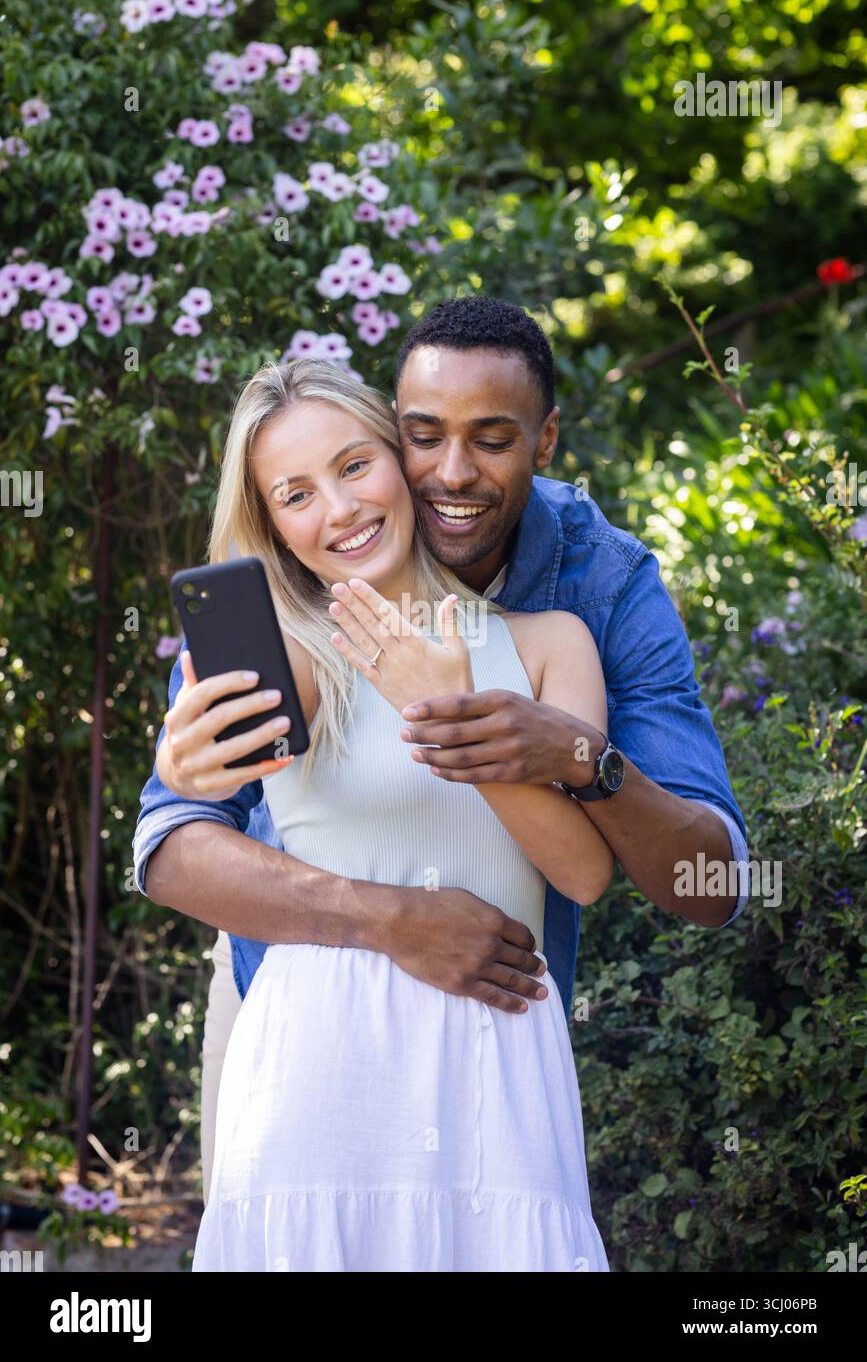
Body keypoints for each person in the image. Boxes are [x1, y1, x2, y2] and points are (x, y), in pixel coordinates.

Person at [133, 297, 749, 1209]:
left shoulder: (589, 596)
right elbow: (175, 842)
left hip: (495, 1020)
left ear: (544, 442)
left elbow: (695, 880)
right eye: (424, 437)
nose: (449, 472)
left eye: (491, 440)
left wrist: (578, 757)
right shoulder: (286, 632)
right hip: (297, 973)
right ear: (398, 430)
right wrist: (390, 918)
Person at [161, 356, 614, 1270]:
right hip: (321, 1053)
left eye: (353, 466)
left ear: (400, 463)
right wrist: (182, 763)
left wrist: (446, 716)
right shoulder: (289, 654)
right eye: (294, 494)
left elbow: (584, 873)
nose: (338, 510)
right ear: (272, 526)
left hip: (496, 1045)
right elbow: (187, 836)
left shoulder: (547, 646)